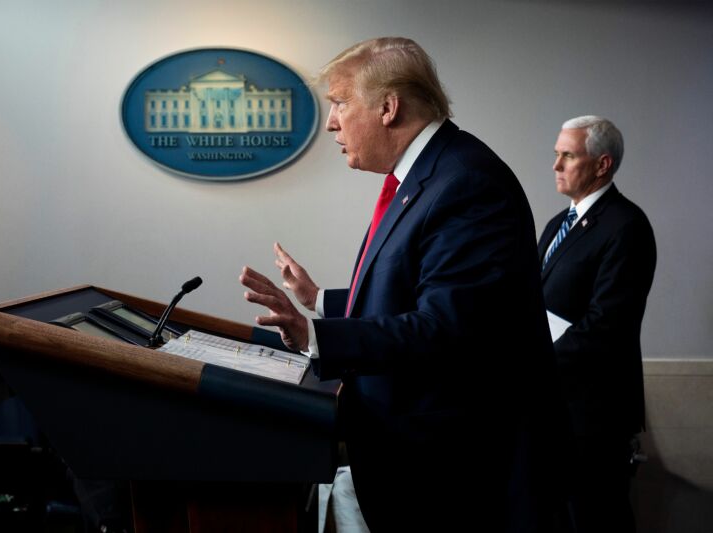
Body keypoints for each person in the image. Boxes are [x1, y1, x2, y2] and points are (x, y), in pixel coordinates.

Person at [240, 37, 559, 532]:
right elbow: (415, 293)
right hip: (412, 462)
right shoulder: (425, 177)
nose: (330, 122)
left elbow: (445, 328)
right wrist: (317, 300)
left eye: (341, 103)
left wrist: (313, 337)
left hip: (451, 477)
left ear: (388, 107)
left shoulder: (467, 183)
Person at [538, 116, 657, 532]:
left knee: (595, 520)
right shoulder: (558, 225)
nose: (555, 165)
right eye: (557, 154)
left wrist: (535, 357)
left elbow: (606, 327)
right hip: (555, 408)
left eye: (567, 155)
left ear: (602, 164)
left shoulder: (626, 226)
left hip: (594, 416)